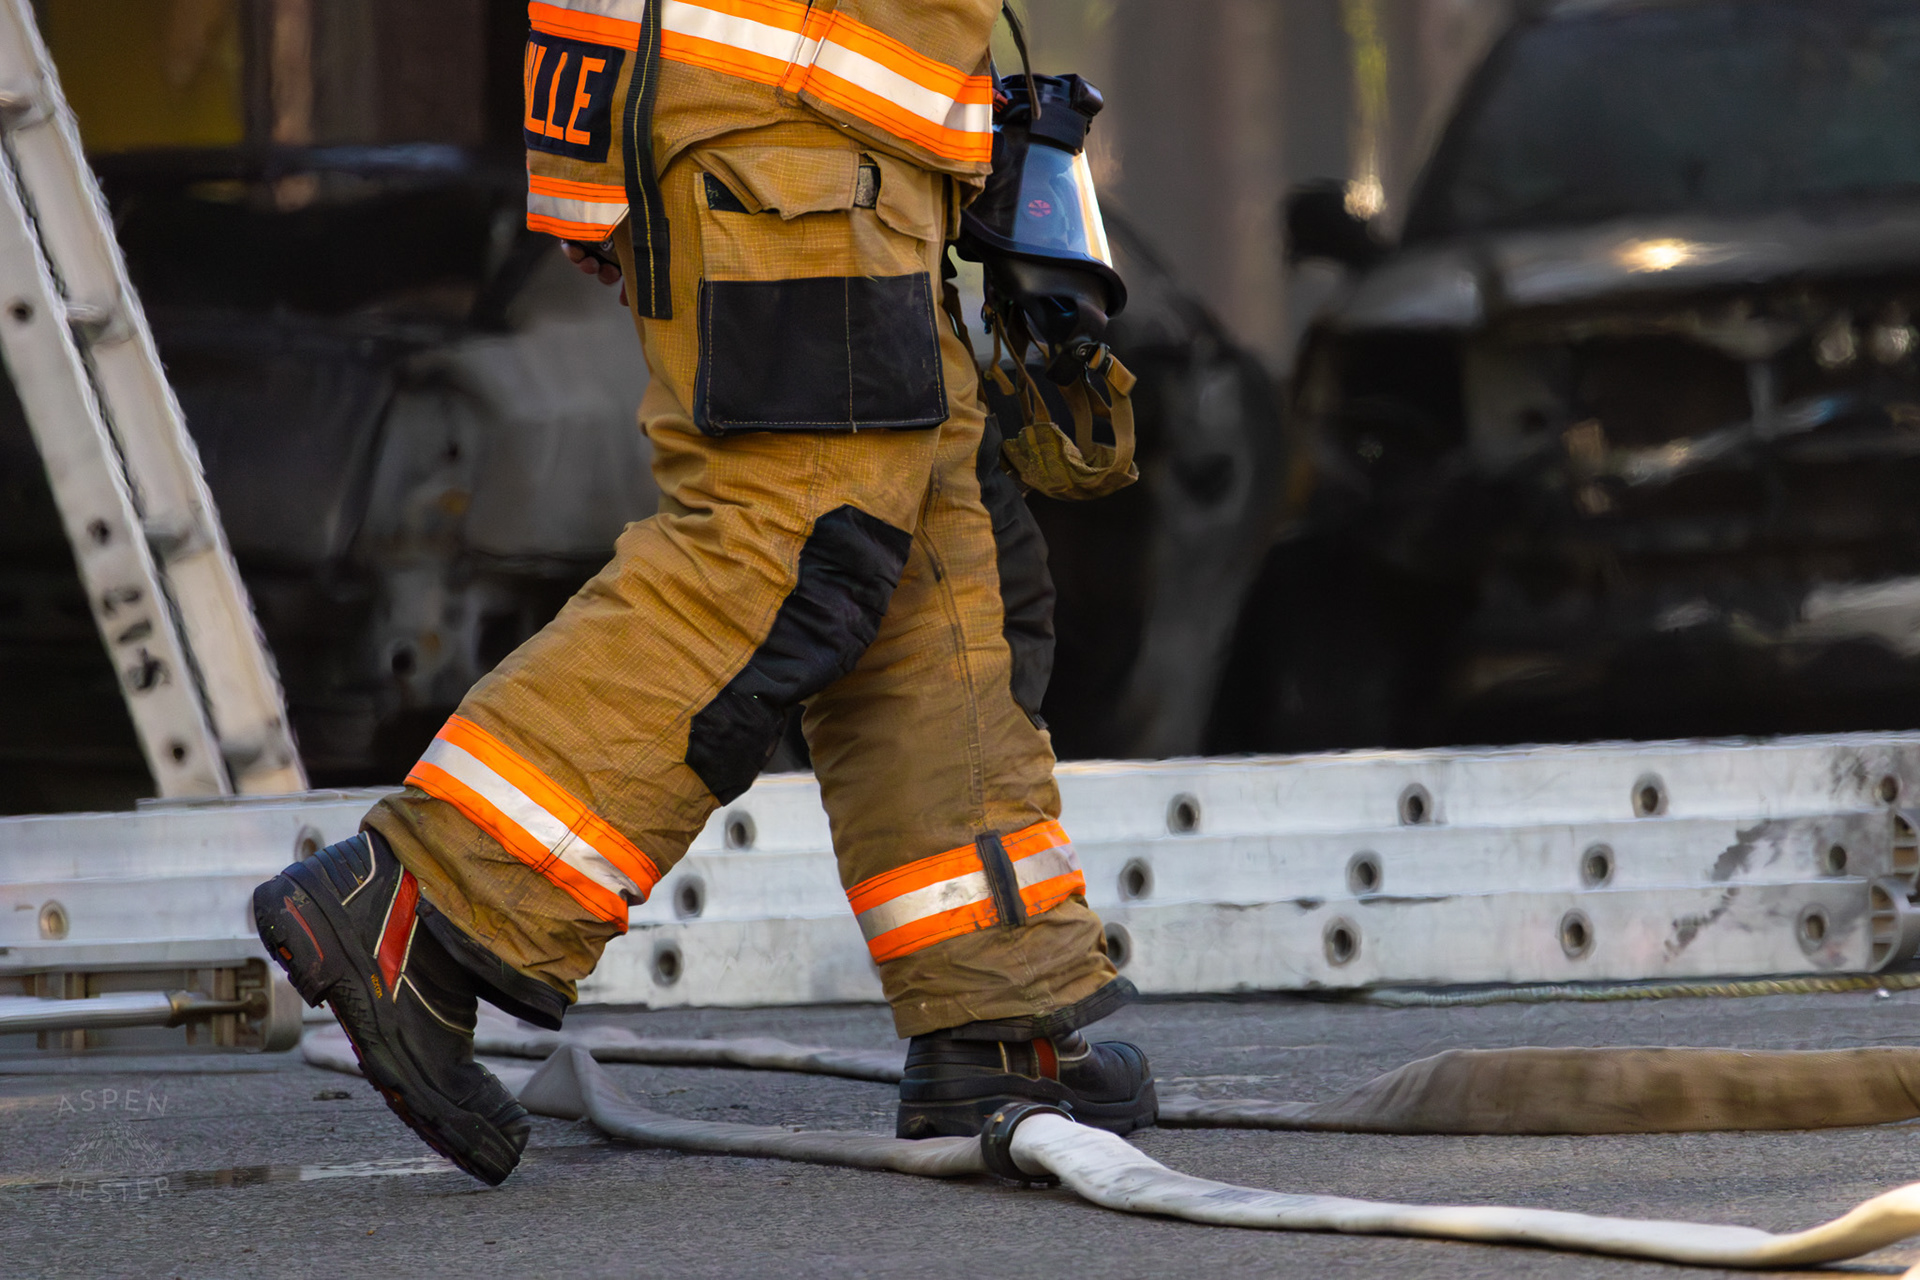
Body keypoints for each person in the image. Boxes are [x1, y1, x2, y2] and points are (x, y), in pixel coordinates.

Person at [253, 0, 1153, 1186]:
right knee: (792, 537)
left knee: (924, 555)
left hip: (812, 130)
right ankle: (424, 903)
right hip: (791, 124)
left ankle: (995, 1015)